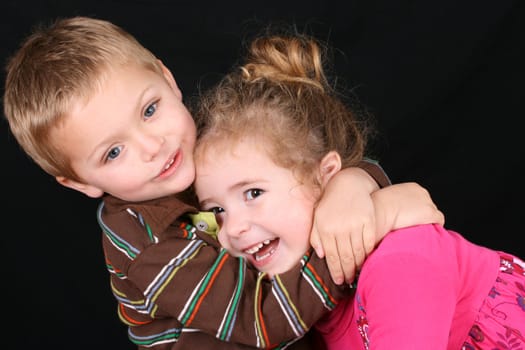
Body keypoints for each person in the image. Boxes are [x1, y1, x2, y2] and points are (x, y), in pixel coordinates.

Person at [3, 16, 444, 349]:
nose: (153, 145)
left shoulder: (210, 145)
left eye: (149, 109)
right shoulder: (144, 238)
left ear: (167, 79)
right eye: (113, 153)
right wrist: (373, 220)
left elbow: (305, 170)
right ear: (80, 182)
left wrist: (352, 184)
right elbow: (262, 318)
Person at [191, 31, 525, 349]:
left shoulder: (400, 262)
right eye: (217, 209)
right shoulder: (303, 301)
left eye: (253, 193)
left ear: (325, 177)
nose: (232, 228)